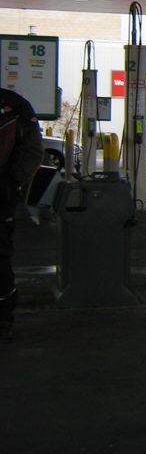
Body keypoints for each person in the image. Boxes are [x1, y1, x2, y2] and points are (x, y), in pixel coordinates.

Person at [0, 88, 43, 341]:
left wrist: (11, 183)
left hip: (1, 199)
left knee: (0, 258)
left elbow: (33, 151)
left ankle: (3, 317)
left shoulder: (14, 106)